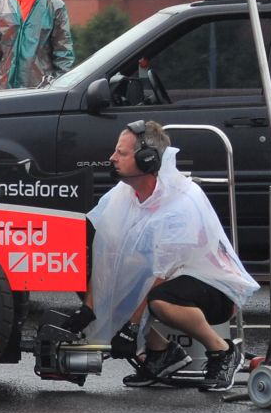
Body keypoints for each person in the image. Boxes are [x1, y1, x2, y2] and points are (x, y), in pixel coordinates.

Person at [79, 121, 259, 393]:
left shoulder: (180, 203)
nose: (112, 159)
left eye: (121, 153)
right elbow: (107, 257)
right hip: (167, 281)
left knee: (161, 301)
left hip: (213, 286)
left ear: (146, 159)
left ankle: (222, 351)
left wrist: (130, 327)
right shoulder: (123, 194)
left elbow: (159, 277)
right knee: (85, 276)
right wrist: (89, 308)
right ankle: (161, 353)